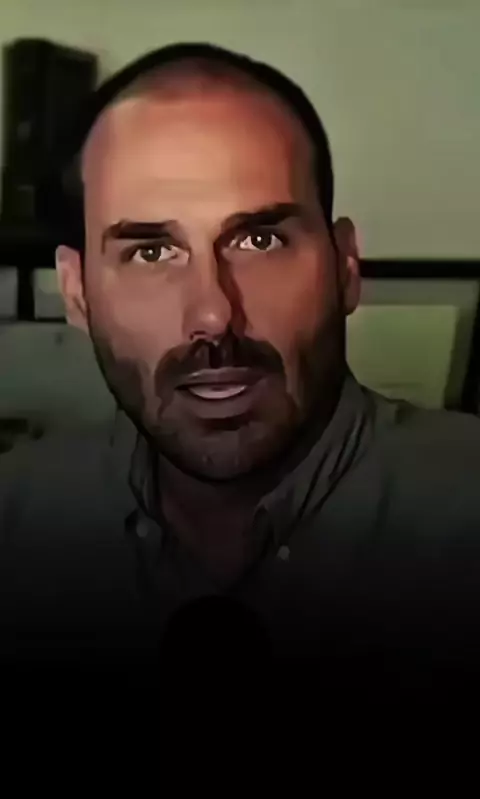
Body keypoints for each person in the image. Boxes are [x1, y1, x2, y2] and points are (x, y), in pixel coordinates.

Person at [1, 41, 480, 675]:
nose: (213, 314)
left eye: (259, 240)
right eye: (150, 253)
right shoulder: (15, 516)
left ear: (345, 266)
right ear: (76, 292)